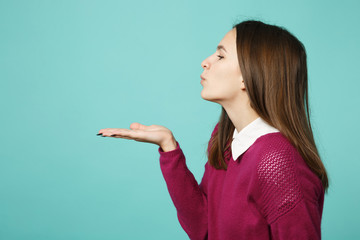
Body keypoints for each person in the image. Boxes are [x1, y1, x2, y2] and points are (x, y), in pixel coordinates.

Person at [97, 19, 329, 240]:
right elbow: (203, 228)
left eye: (220, 56)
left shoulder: (277, 161)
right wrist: (168, 147)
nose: (206, 61)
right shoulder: (227, 139)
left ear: (247, 77)